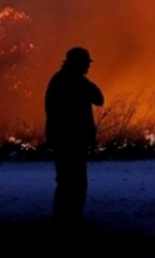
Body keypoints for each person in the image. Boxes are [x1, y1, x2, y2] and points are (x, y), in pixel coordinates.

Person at [45, 47, 104, 223]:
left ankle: (64, 219)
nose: (88, 67)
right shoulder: (76, 82)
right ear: (78, 63)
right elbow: (99, 99)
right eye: (86, 63)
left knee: (66, 182)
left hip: (62, 139)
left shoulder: (58, 80)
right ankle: (70, 220)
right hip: (72, 140)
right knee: (75, 183)